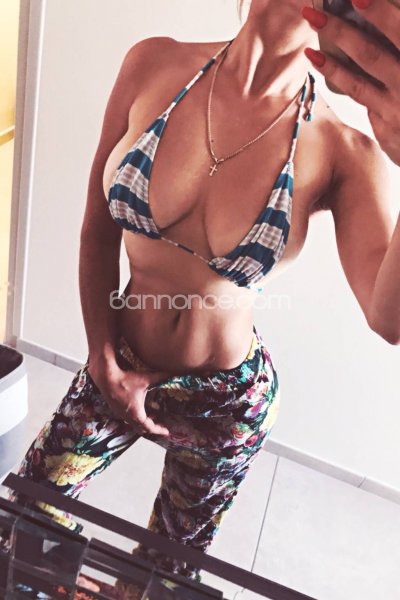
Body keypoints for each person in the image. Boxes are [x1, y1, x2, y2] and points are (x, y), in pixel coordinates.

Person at [4, 0, 400, 595]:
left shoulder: (345, 151)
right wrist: (101, 358)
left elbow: (388, 318)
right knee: (26, 520)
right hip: (120, 359)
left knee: (167, 574)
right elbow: (96, 229)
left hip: (228, 401)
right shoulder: (152, 64)